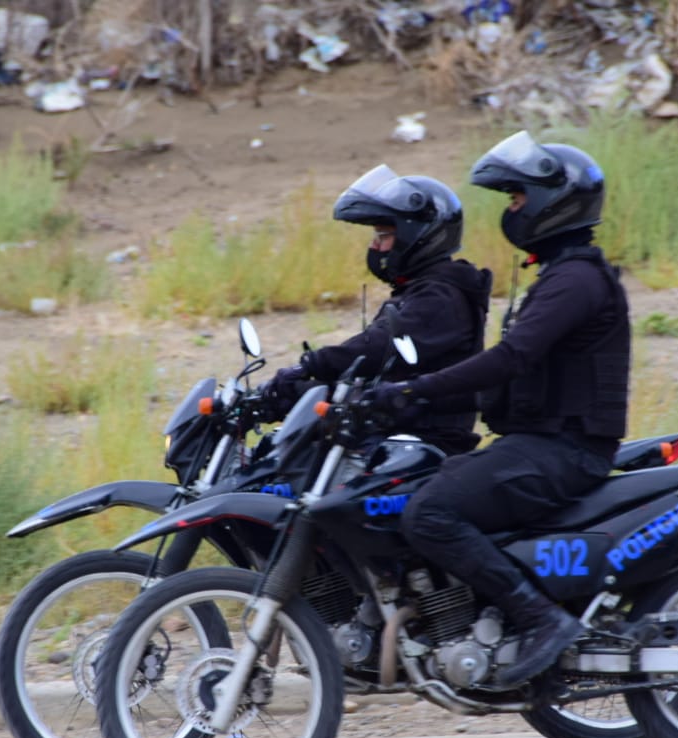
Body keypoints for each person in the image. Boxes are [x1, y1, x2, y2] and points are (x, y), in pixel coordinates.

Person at [371, 130, 630, 687]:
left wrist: (416, 391)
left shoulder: (576, 280)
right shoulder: (562, 276)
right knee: (409, 496)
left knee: (430, 514)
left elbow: (510, 358)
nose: (511, 211)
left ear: (551, 203)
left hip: (564, 450)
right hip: (537, 444)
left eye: (516, 199)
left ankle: (540, 618)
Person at [260, 164, 492, 456]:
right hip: (386, 429)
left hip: (423, 443)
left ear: (417, 235)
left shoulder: (442, 297)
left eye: (383, 236)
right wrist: (290, 394)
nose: (375, 246)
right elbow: (378, 374)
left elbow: (379, 348)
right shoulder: (421, 290)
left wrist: (311, 364)